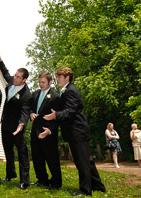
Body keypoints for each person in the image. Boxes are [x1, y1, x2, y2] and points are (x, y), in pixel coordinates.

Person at [44, 67, 106, 196]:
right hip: (75, 132)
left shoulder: (71, 91)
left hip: (77, 131)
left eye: (59, 77)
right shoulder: (66, 90)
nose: (57, 79)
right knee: (87, 161)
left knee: (81, 162)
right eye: (57, 77)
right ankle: (98, 186)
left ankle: (85, 190)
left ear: (67, 78)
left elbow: (70, 111)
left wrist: (56, 115)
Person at [0, 50, 32, 190]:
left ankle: (24, 181)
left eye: (18, 77)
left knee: (22, 153)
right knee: (7, 150)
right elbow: (5, 71)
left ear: (24, 80)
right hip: (5, 124)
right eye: (15, 75)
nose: (14, 78)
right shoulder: (11, 81)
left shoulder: (27, 95)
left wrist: (21, 125)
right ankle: (10, 174)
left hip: (17, 128)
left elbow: (25, 112)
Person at [29, 72, 61, 190]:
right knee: (37, 156)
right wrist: (31, 113)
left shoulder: (55, 96)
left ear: (50, 82)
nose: (40, 84)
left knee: (51, 158)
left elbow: (57, 117)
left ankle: (56, 183)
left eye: (43, 82)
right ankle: (42, 179)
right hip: (35, 129)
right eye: (39, 82)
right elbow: (31, 108)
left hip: (48, 130)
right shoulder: (35, 94)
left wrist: (50, 130)